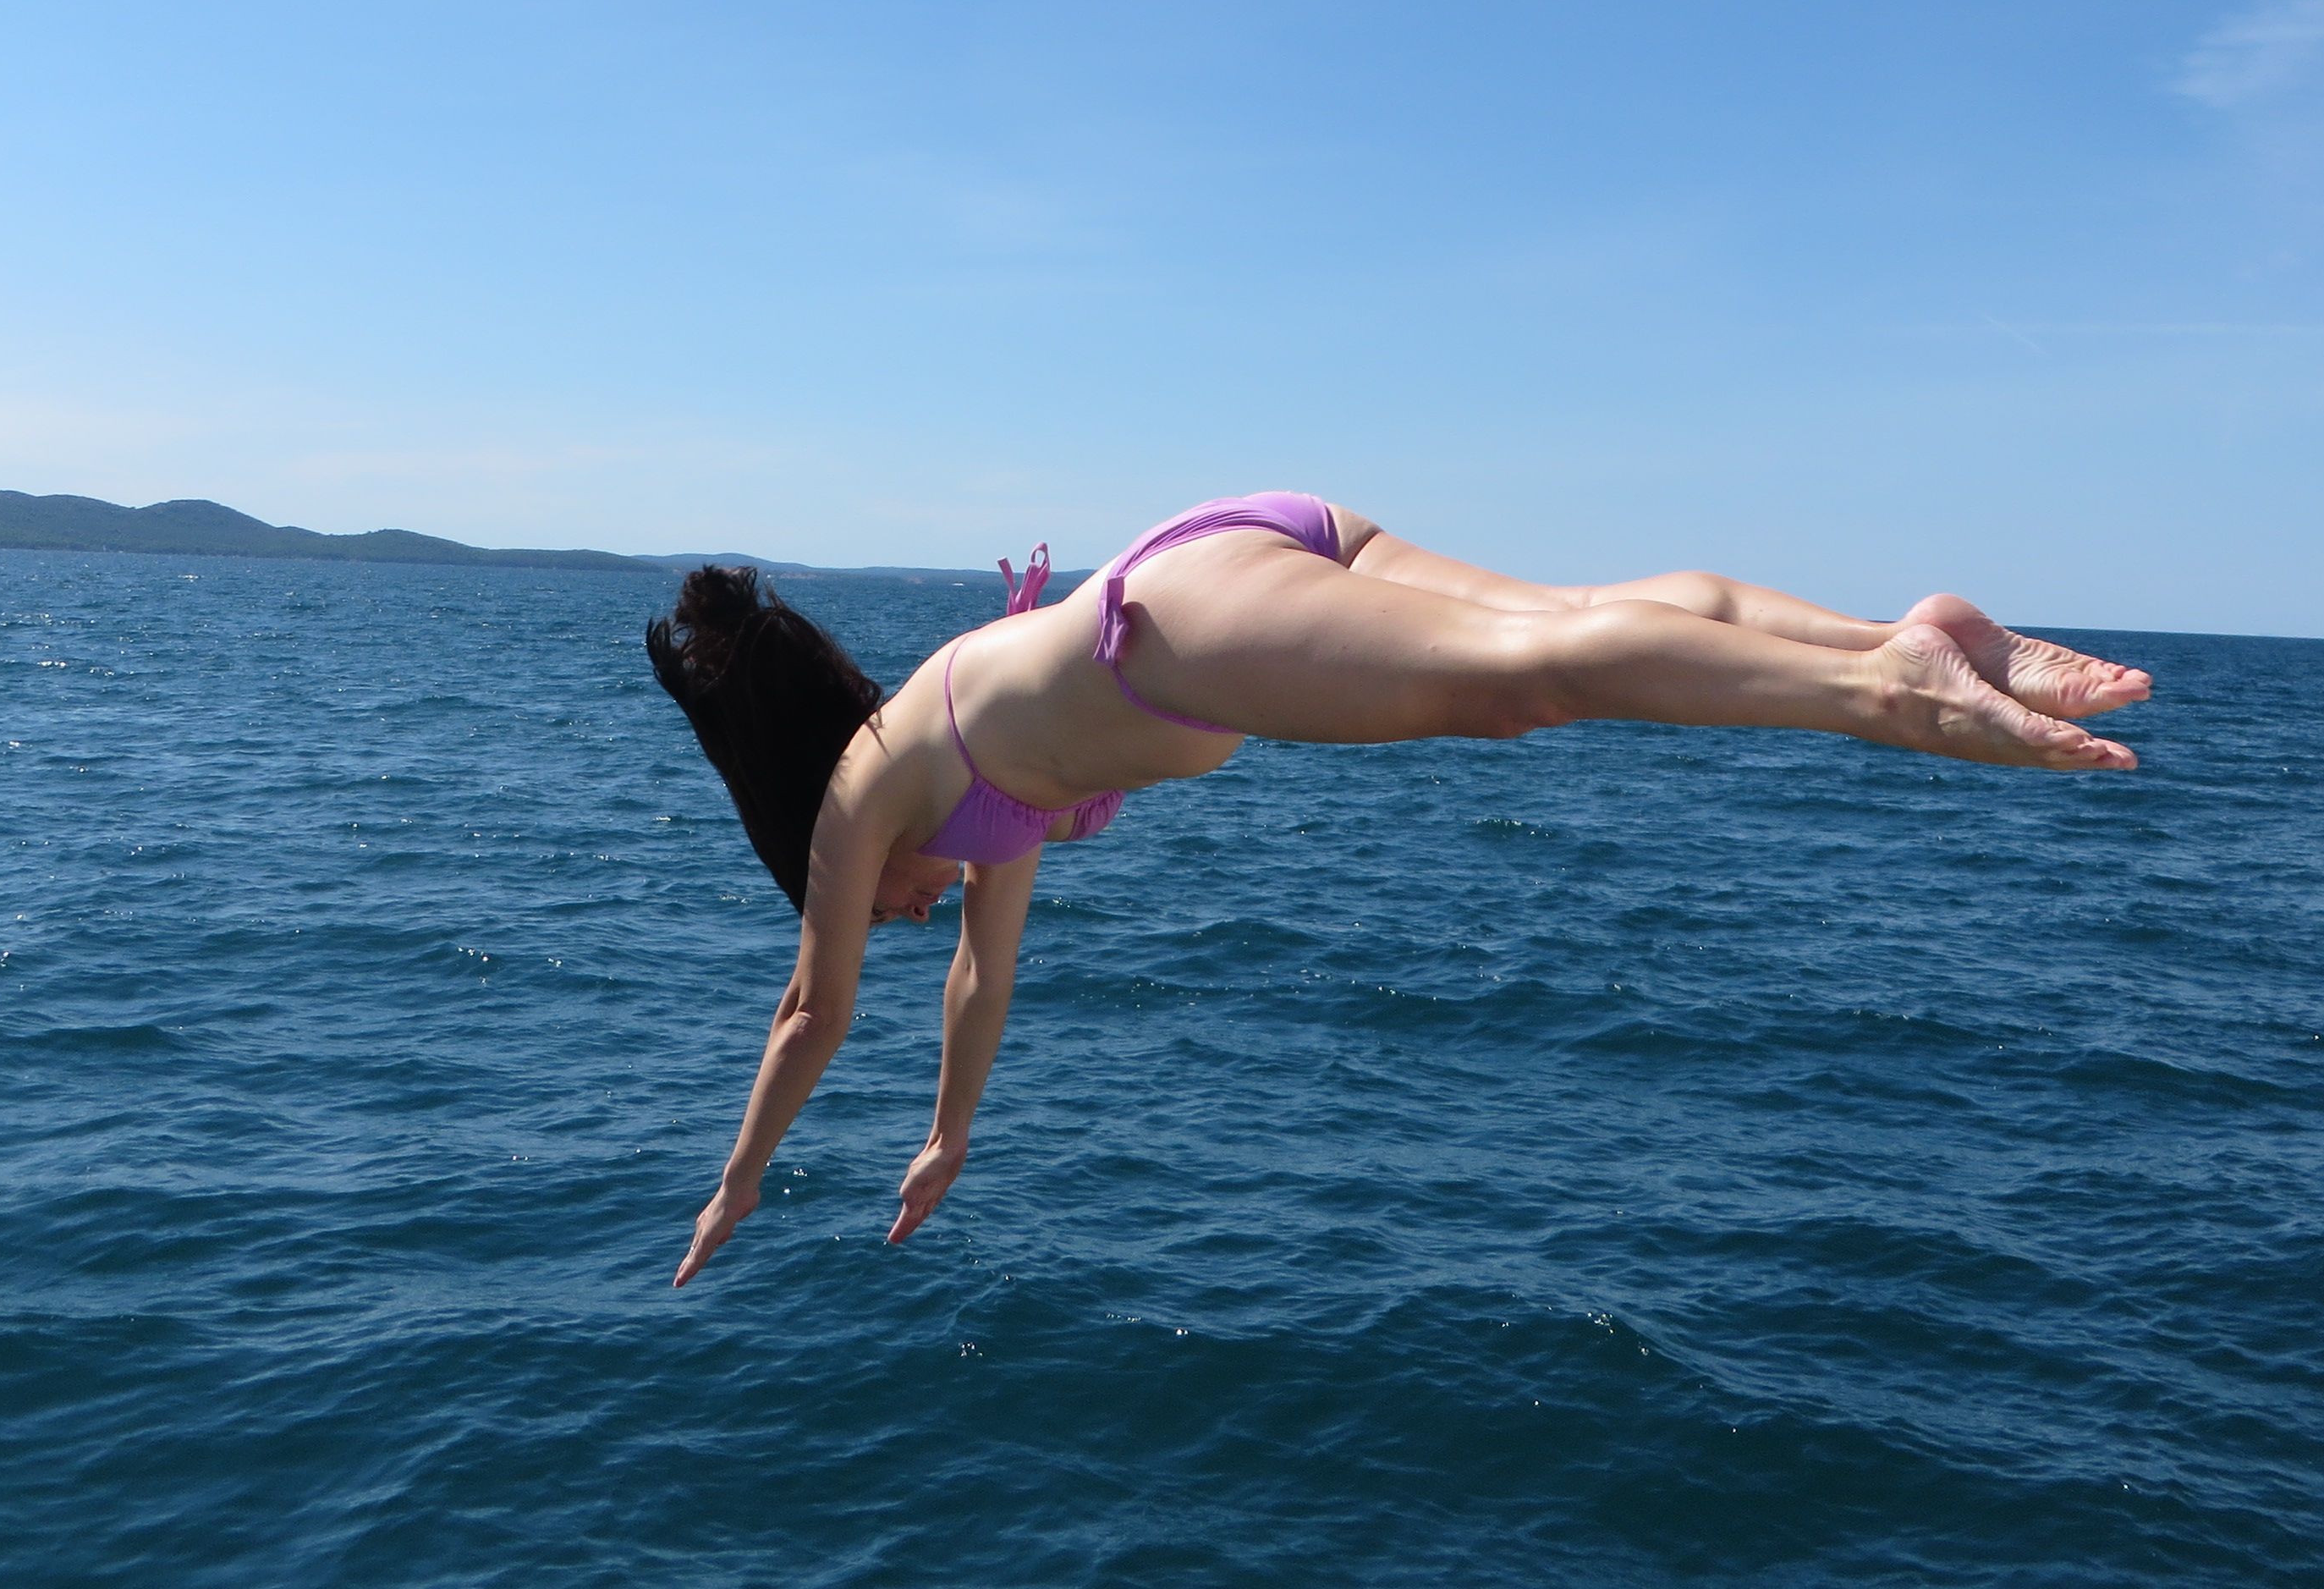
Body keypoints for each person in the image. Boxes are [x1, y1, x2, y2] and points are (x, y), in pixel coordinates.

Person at [645, 492, 2151, 1288]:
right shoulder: (976, 792)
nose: (901, 916)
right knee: (1576, 621)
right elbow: (986, 973)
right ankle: (1905, 635)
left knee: (1525, 683)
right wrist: (950, 1135)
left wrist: (738, 1182)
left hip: (1179, 617)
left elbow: (809, 1013)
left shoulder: (859, 796)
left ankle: (1892, 690)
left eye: (879, 909)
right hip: (1245, 541)